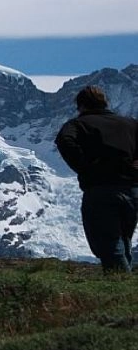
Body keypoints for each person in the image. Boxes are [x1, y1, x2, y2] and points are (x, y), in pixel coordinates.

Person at [55, 85, 138, 272]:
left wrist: (86, 166)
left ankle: (119, 290)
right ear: (105, 102)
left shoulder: (78, 124)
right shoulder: (130, 124)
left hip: (101, 189)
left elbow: (64, 140)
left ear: (81, 106)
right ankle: (126, 288)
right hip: (132, 189)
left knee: (108, 243)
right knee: (124, 240)